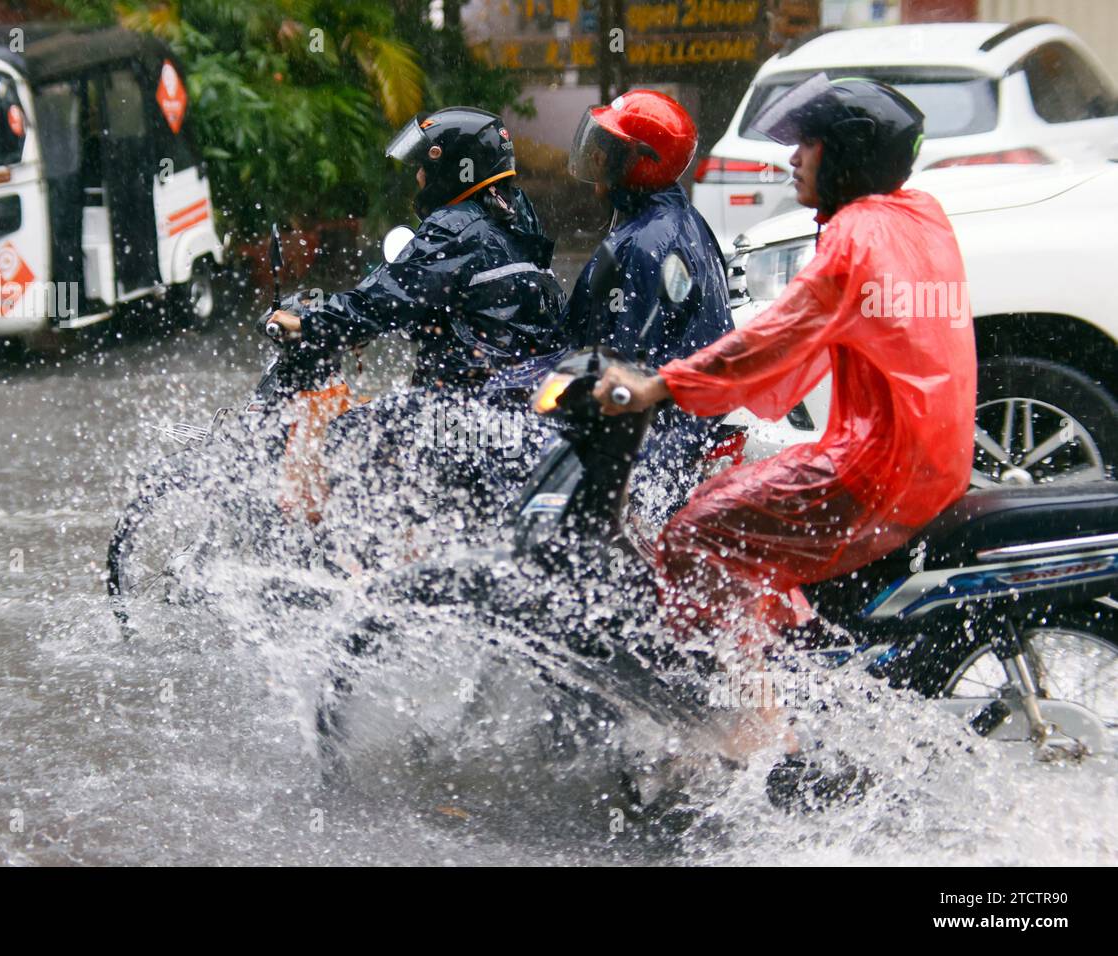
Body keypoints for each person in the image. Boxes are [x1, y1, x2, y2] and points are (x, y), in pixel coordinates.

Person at [592, 74, 976, 661]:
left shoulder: (855, 236)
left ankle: (752, 722)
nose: (793, 159)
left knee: (697, 532)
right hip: (932, 460)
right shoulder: (919, 215)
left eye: (809, 145)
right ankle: (794, 655)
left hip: (871, 465)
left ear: (846, 154)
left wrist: (655, 386)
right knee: (740, 505)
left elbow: (771, 341)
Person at [268, 107, 570, 560]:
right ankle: (407, 546)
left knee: (346, 436)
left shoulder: (456, 226)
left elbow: (385, 297)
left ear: (455, 169)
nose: (420, 182)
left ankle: (358, 564)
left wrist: (309, 322)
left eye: (426, 169)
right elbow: (461, 301)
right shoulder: (514, 219)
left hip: (464, 408)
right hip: (514, 402)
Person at [563, 90, 734, 524]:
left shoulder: (641, 246)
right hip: (684, 430)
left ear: (639, 163)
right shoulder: (684, 221)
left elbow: (622, 366)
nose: (596, 162)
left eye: (607, 153)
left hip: (657, 445)